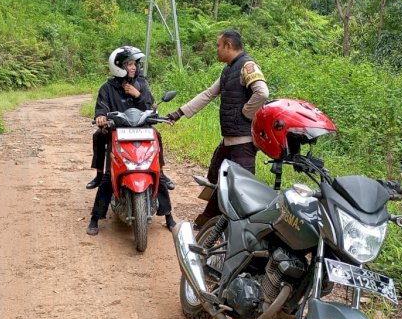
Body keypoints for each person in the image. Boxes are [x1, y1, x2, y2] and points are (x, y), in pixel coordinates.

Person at [166, 30, 269, 227]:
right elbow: (208, 95)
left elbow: (262, 92)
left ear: (228, 45)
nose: (217, 49)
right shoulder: (228, 70)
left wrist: (246, 113)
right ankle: (206, 222)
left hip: (243, 144)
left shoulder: (247, 66)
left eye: (218, 45)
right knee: (216, 180)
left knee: (241, 191)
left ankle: (241, 233)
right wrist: (179, 113)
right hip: (229, 141)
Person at [86, 46, 176, 236]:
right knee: (109, 174)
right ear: (118, 66)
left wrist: (138, 95)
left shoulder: (141, 83)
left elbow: (151, 106)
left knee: (155, 159)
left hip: (141, 131)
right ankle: (96, 211)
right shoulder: (107, 88)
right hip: (117, 132)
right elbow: (101, 109)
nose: (133, 67)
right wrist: (101, 117)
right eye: (129, 64)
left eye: (134, 64)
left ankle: (168, 214)